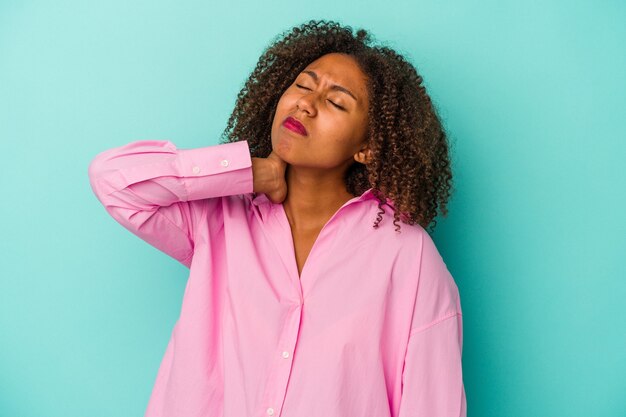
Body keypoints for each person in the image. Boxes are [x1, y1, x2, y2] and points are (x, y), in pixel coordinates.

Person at [88, 19, 466, 417]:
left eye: (336, 102)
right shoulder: (219, 218)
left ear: (368, 147)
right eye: (303, 85)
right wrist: (251, 172)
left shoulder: (408, 257)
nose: (306, 103)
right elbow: (113, 180)